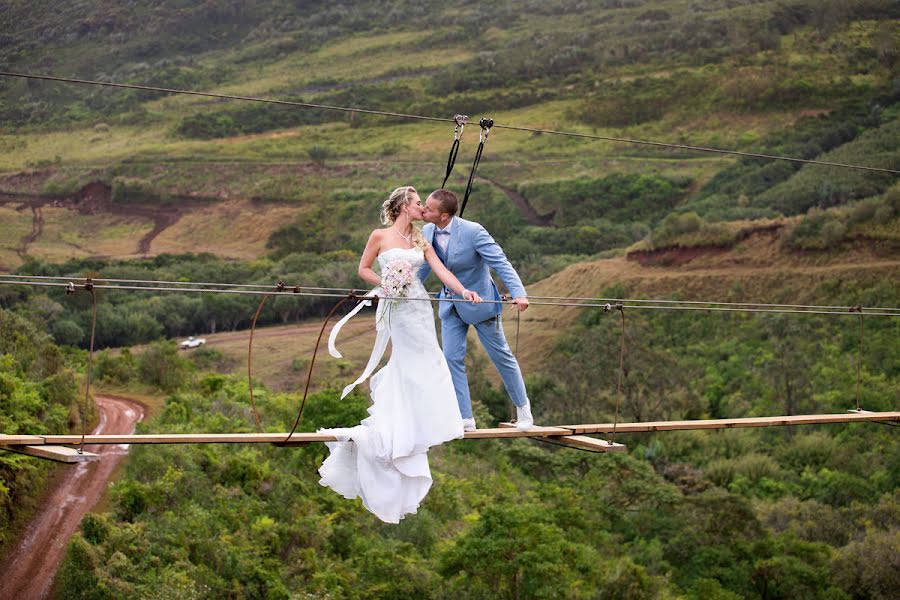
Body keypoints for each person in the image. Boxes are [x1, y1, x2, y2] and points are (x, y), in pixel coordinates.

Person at [319, 185, 482, 524]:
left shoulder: (421, 239)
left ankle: (429, 419)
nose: (422, 206)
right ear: (405, 206)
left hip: (419, 306)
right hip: (395, 306)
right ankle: (406, 425)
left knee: (432, 359)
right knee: (407, 362)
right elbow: (363, 269)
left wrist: (464, 291)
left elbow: (439, 269)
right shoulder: (379, 235)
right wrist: (386, 284)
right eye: (419, 202)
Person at [419, 188, 534, 432]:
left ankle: (524, 409)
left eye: (428, 208)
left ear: (444, 216)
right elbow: (426, 268)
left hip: (481, 305)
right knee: (452, 359)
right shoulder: (427, 231)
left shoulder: (474, 232)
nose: (423, 210)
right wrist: (402, 289)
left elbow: (500, 263)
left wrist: (519, 294)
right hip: (451, 305)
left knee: (501, 357)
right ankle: (465, 418)